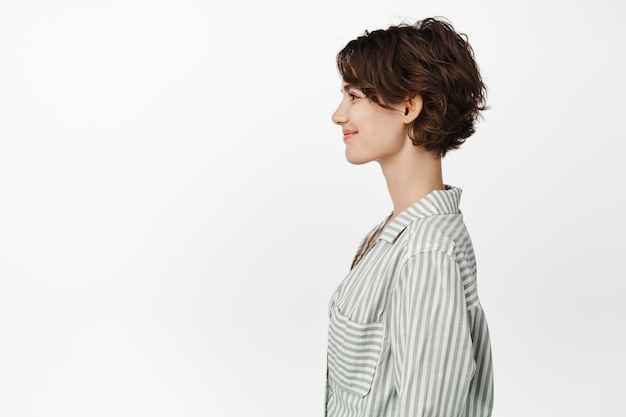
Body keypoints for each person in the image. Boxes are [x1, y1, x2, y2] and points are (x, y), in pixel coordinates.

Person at [325, 17, 494, 417]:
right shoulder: (392, 237)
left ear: (407, 105)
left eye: (354, 96)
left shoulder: (426, 253)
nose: (338, 115)